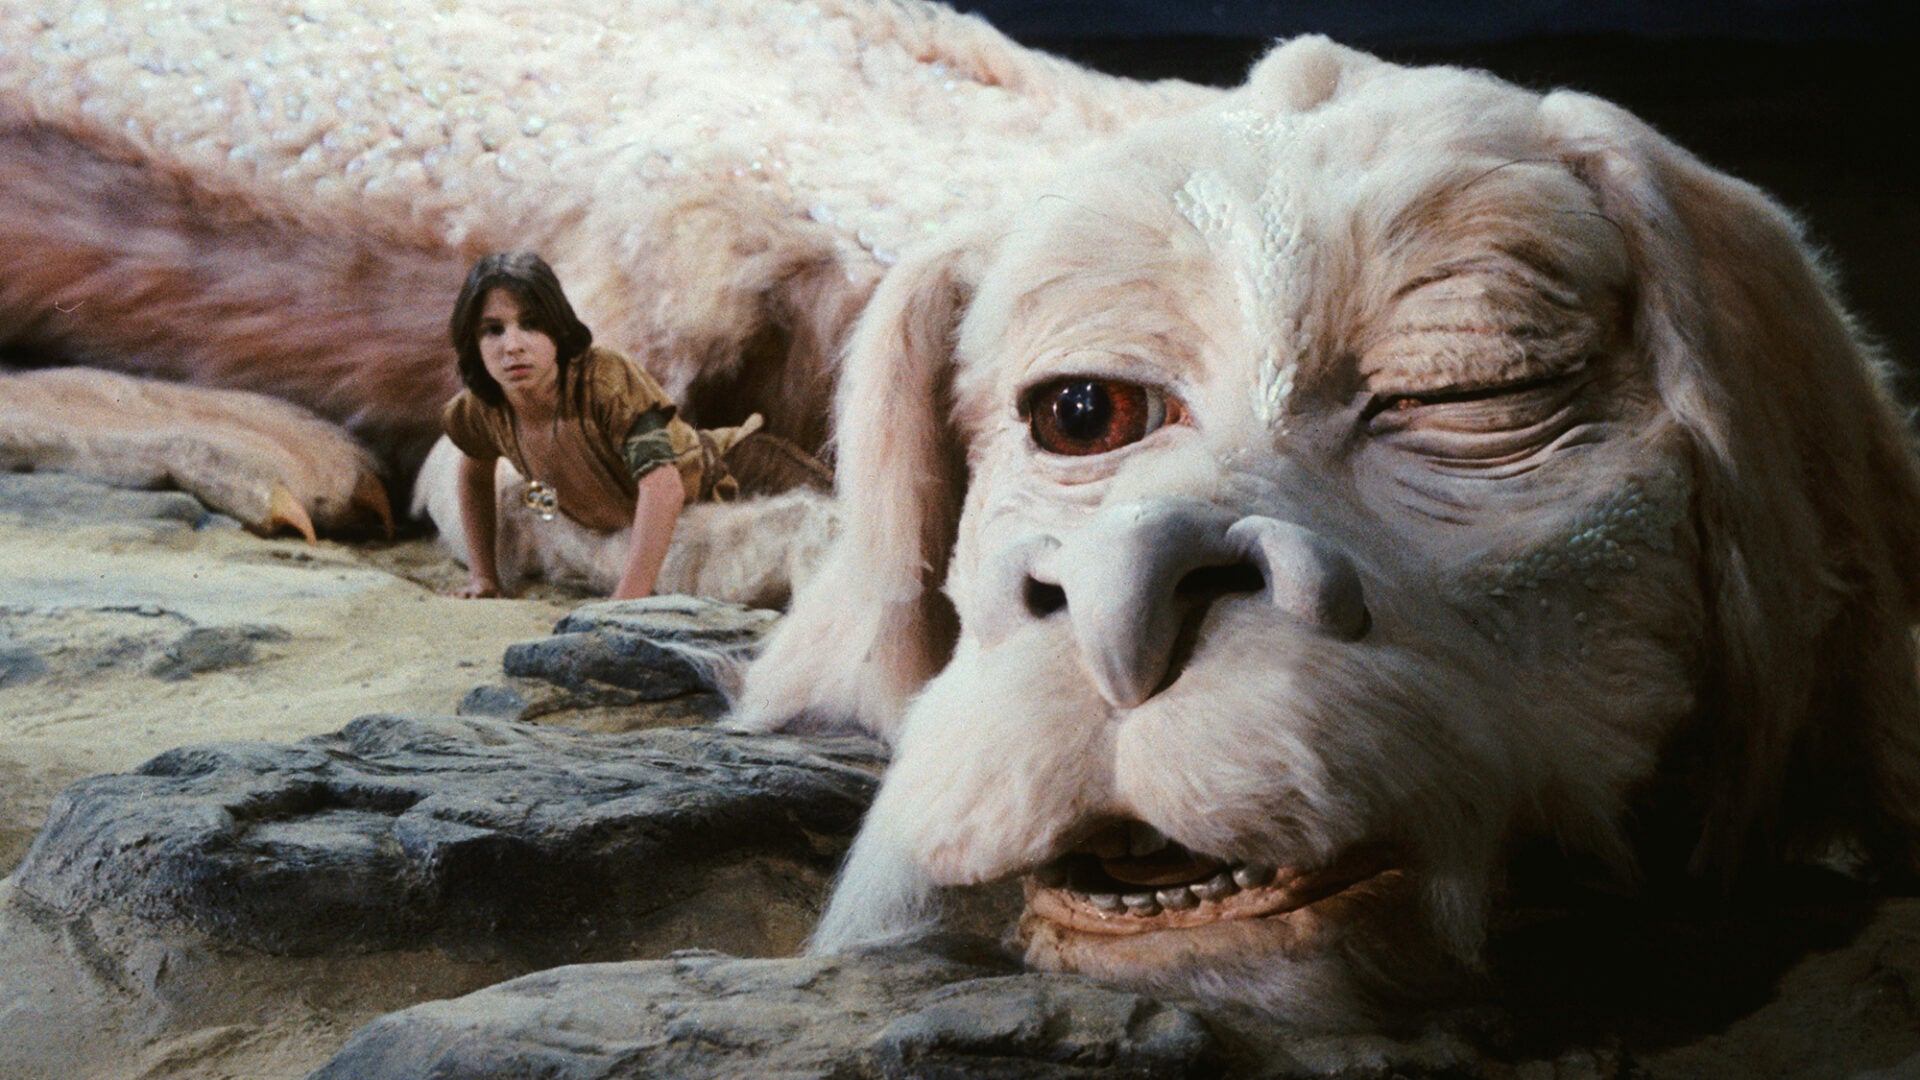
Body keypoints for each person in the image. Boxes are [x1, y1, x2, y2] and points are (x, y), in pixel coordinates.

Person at [439, 251, 762, 600]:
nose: (513, 346)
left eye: (531, 324)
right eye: (493, 330)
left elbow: (664, 488)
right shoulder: (478, 408)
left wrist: (627, 599)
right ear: (472, 341)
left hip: (731, 471)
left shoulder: (606, 382)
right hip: (623, 523)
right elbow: (473, 473)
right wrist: (484, 576)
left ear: (558, 327)